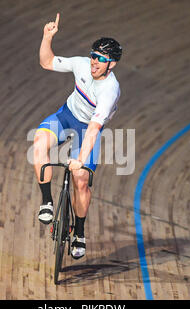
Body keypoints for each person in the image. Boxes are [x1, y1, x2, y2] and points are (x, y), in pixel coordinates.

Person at [33, 13, 122, 259]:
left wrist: (80, 160)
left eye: (101, 59)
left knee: (80, 179)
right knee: (39, 144)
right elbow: (46, 62)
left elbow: (93, 129)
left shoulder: (109, 90)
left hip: (87, 128)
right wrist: (46, 37)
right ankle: (47, 202)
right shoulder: (82, 64)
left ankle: (79, 232)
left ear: (111, 64)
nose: (94, 61)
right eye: (93, 55)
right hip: (67, 115)